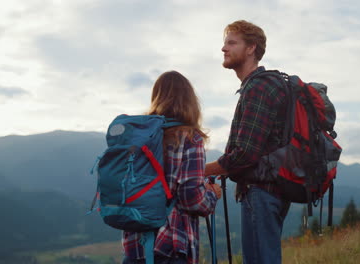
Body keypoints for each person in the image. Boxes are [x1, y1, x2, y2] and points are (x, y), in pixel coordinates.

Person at [204, 20, 291, 264]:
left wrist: (201, 170)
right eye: (225, 43)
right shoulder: (266, 86)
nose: (224, 48)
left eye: (232, 43)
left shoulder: (259, 88)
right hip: (272, 190)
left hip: (261, 192)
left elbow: (245, 154)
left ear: (251, 48)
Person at [122, 71, 222, 264]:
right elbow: (192, 198)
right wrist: (212, 194)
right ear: (190, 100)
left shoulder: (138, 138)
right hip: (169, 246)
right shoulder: (189, 138)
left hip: (135, 246)